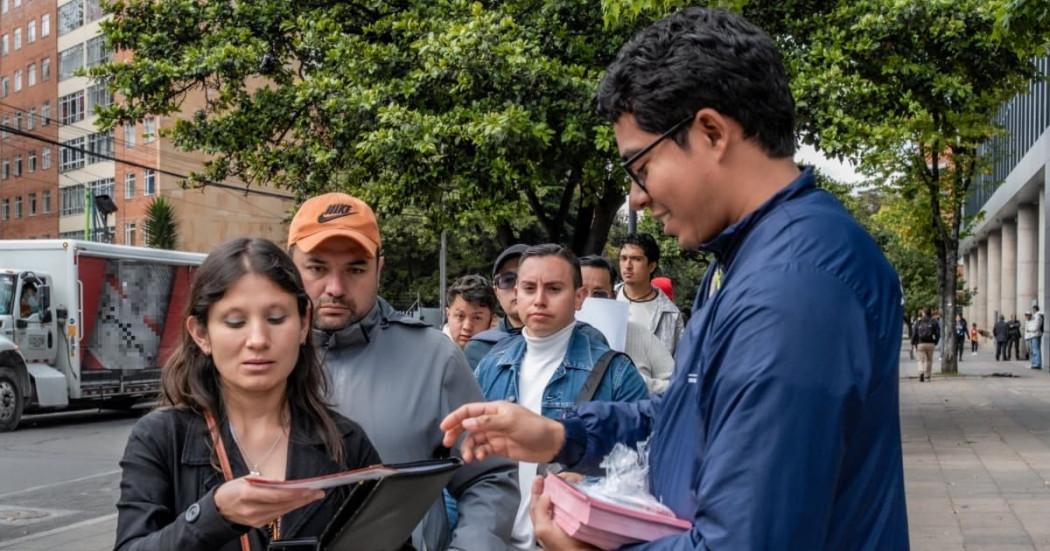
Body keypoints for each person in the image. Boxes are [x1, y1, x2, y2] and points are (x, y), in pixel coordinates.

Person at [441, 8, 908, 549]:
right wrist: (562, 435)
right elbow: (690, 412)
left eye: (640, 167)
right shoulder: (747, 258)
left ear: (711, 131)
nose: (637, 196)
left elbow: (745, 540)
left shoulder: (792, 288)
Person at [115, 238, 382, 551]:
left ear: (303, 323)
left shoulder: (346, 442)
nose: (257, 339)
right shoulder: (161, 438)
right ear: (201, 334)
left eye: (276, 318)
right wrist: (212, 516)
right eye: (235, 322)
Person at [287, 193, 517, 550]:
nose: (335, 287)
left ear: (379, 267)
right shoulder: (256, 360)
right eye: (317, 268)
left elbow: (488, 477)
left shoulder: (433, 358)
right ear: (290, 268)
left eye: (355, 269)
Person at [474, 244, 648, 550]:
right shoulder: (491, 366)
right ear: (517, 293)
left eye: (554, 288)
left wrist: (590, 487)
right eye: (529, 288)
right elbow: (462, 466)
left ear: (579, 297)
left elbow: (646, 472)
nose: (539, 300)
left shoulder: (617, 374)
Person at [579, 254, 674, 394]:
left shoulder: (640, 334)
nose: (588, 300)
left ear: (612, 296)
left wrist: (637, 383)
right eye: (581, 292)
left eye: (599, 294)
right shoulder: (551, 339)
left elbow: (677, 386)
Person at [615, 233, 684, 356]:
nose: (628, 266)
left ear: (651, 266)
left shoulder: (670, 315)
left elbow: (679, 361)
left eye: (636, 259)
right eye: (623, 258)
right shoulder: (608, 298)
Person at [464, 244, 528, 369]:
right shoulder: (479, 348)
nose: (517, 288)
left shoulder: (565, 340)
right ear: (496, 291)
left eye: (527, 280)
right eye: (508, 280)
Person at [444, 274, 498, 348]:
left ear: (492, 320)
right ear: (448, 314)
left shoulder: (503, 355)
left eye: (477, 318)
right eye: (460, 316)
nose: (467, 327)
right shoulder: (432, 353)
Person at [914, 309, 939, 381]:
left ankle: (921, 371)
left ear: (924, 313)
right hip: (931, 343)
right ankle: (927, 376)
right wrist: (935, 341)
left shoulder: (919, 322)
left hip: (921, 343)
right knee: (929, 360)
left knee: (920, 360)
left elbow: (915, 333)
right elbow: (938, 333)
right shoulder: (934, 321)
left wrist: (913, 343)